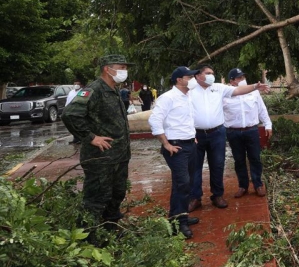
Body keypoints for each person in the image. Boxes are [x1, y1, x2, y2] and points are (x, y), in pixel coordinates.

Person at [62, 55, 132, 232]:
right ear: (107, 69)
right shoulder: (94, 90)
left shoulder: (114, 89)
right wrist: (91, 138)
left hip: (118, 156)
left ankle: (110, 230)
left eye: (125, 68)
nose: (125, 71)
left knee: (117, 194)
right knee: (96, 199)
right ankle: (89, 237)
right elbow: (70, 115)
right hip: (100, 158)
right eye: (121, 67)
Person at [188, 65, 268, 211]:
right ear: (198, 76)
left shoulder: (218, 88)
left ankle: (217, 195)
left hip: (217, 133)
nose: (212, 75)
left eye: (213, 73)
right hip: (196, 135)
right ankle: (195, 197)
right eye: (208, 73)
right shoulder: (189, 90)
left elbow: (238, 90)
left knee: (218, 165)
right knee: (195, 167)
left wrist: (255, 86)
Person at [147, 66, 202, 239]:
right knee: (182, 183)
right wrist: (166, 144)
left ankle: (180, 215)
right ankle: (179, 223)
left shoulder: (188, 96)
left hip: (189, 145)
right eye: (190, 77)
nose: (193, 79)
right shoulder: (167, 98)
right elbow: (154, 120)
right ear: (179, 79)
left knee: (188, 182)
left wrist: (191, 136)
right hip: (176, 148)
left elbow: (186, 120)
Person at [223, 68, 273, 198]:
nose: (243, 80)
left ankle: (258, 184)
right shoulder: (224, 94)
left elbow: (262, 109)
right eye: (239, 78)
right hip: (233, 132)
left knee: (255, 158)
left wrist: (268, 124)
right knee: (239, 160)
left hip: (251, 130)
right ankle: (242, 186)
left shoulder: (254, 93)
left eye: (243, 77)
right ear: (232, 81)